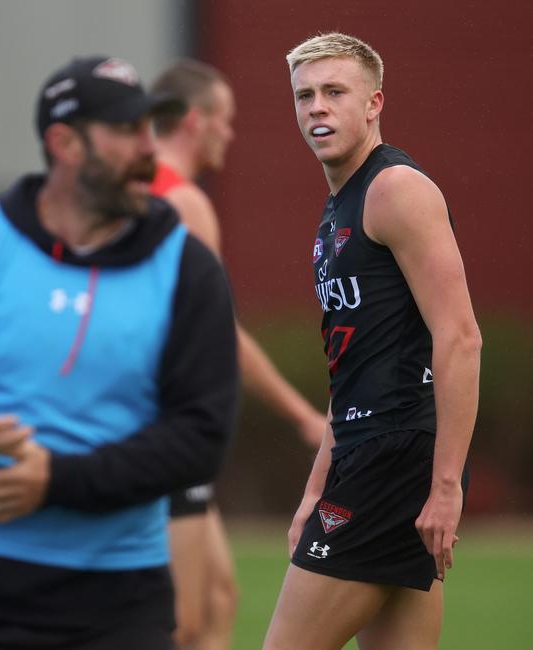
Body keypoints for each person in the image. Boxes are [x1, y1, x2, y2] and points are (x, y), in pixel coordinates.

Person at [0, 55, 239, 650]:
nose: (148, 151)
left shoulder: (187, 268)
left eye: (150, 130)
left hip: (118, 607)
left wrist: (56, 479)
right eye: (127, 131)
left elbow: (200, 438)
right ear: (64, 143)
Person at [262, 32, 482, 650]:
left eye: (335, 92)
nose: (316, 109)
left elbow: (461, 337)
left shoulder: (396, 190)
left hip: (397, 458)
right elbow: (353, 367)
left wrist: (445, 488)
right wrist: (314, 489)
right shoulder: (340, 206)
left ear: (374, 103)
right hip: (368, 454)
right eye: (304, 96)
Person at [150, 59, 328, 650]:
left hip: (144, 425)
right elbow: (220, 331)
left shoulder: (124, 190)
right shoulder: (181, 204)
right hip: (162, 428)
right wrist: (303, 415)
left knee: (219, 597)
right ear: (196, 122)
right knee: (183, 620)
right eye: (225, 120)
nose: (231, 134)